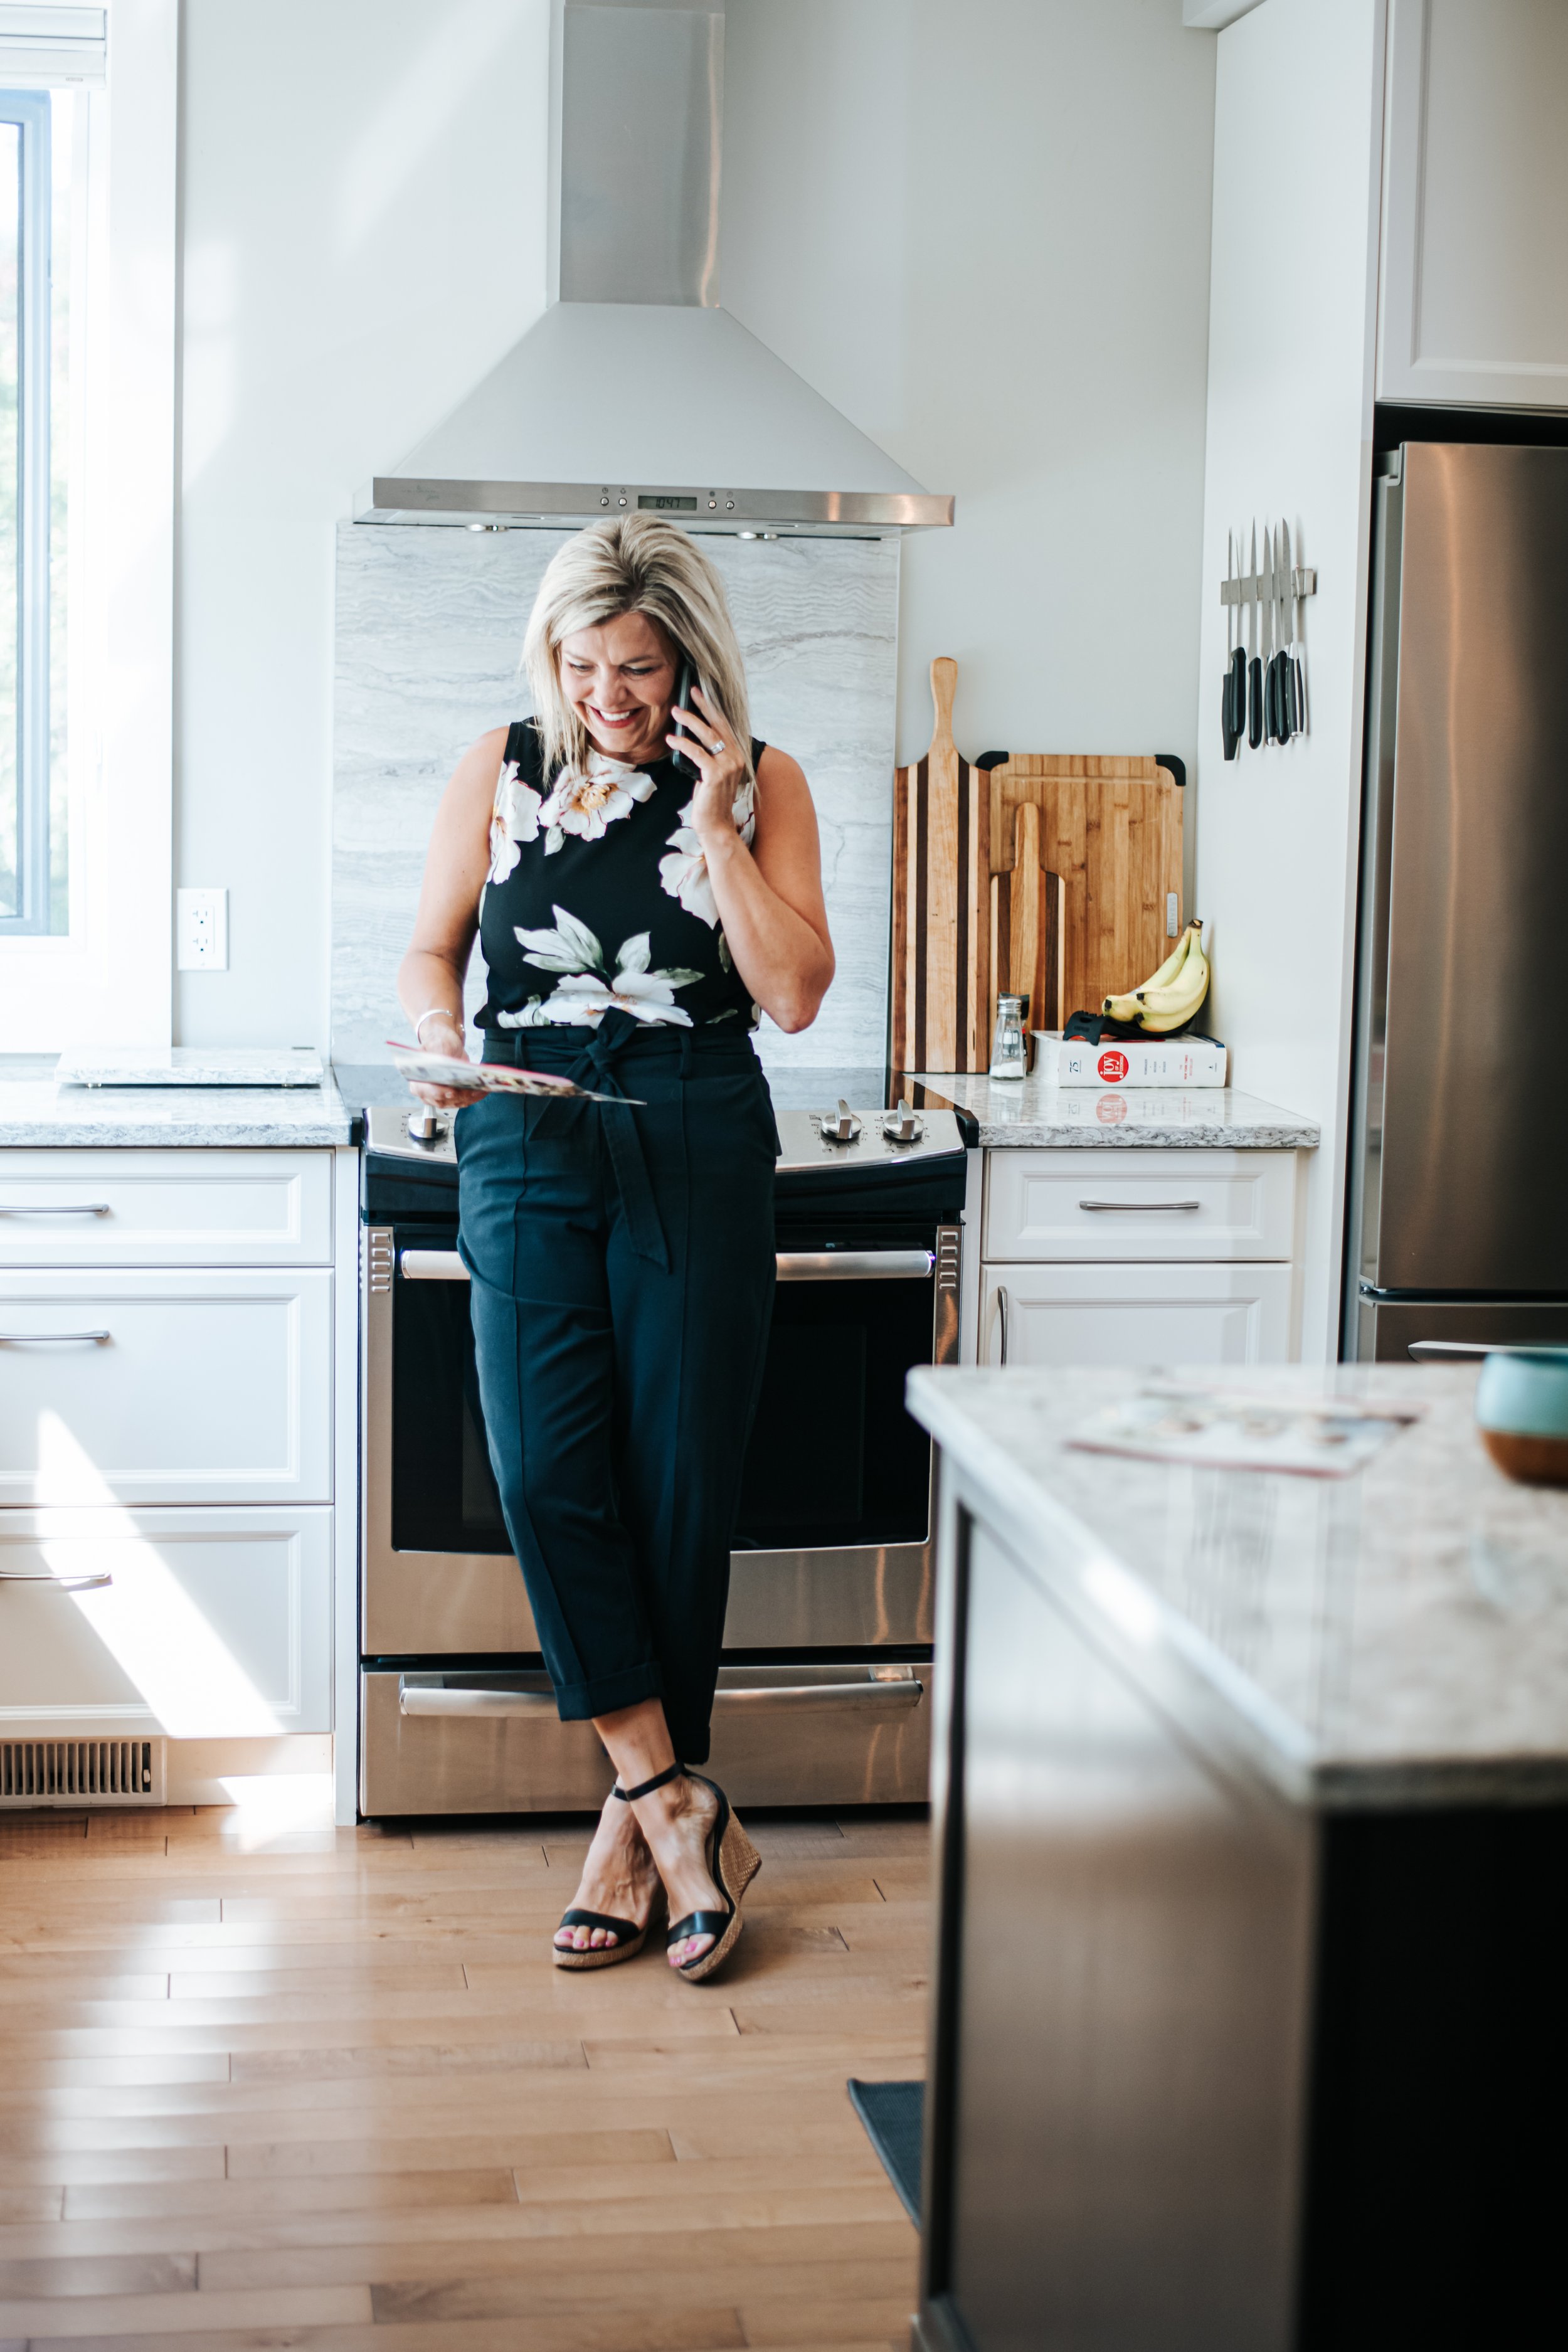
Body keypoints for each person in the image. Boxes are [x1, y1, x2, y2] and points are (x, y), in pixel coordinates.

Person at [398, 517, 834, 1979]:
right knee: (542, 1468)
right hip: (522, 1131)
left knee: (674, 1486)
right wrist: (432, 1040)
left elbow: (792, 1000)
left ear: (690, 660)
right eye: (581, 664)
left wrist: (712, 828)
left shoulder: (762, 785)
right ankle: (673, 1802)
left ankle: (627, 1833)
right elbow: (431, 946)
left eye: (636, 667)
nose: (607, 695)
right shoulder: (498, 767)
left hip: (698, 1128)